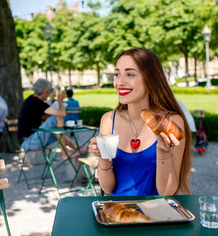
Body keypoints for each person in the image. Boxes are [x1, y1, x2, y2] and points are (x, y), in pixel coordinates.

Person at [88, 48, 191, 196]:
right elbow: (108, 188)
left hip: (157, 215)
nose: (119, 82)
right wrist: (102, 157)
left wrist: (163, 151)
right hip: (117, 213)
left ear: (151, 80)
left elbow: (167, 192)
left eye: (130, 74)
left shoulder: (171, 123)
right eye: (117, 74)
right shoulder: (109, 120)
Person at [18, 78, 81, 159]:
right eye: (50, 91)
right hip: (29, 143)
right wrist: (60, 101)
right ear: (45, 91)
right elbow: (62, 114)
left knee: (57, 134)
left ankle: (77, 148)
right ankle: (65, 152)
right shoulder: (37, 103)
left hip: (29, 141)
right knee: (56, 117)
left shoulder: (31, 100)